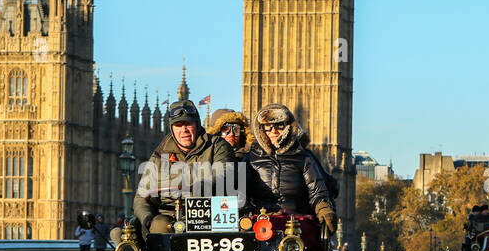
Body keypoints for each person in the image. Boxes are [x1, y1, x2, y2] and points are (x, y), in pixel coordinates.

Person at [129, 99, 233, 242]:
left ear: (196, 124)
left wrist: (200, 186)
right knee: (156, 226)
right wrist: (146, 217)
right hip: (168, 218)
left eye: (188, 124)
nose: (183, 130)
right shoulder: (160, 155)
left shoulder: (216, 146)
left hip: (207, 214)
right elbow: (141, 196)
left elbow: (223, 174)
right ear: (172, 129)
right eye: (178, 125)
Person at [245, 102, 337, 233]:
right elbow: (239, 192)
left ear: (288, 126)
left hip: (295, 221)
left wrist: (324, 209)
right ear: (260, 129)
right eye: (268, 127)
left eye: (279, 125)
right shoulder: (250, 159)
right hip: (260, 221)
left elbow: (317, 192)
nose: (273, 131)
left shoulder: (303, 158)